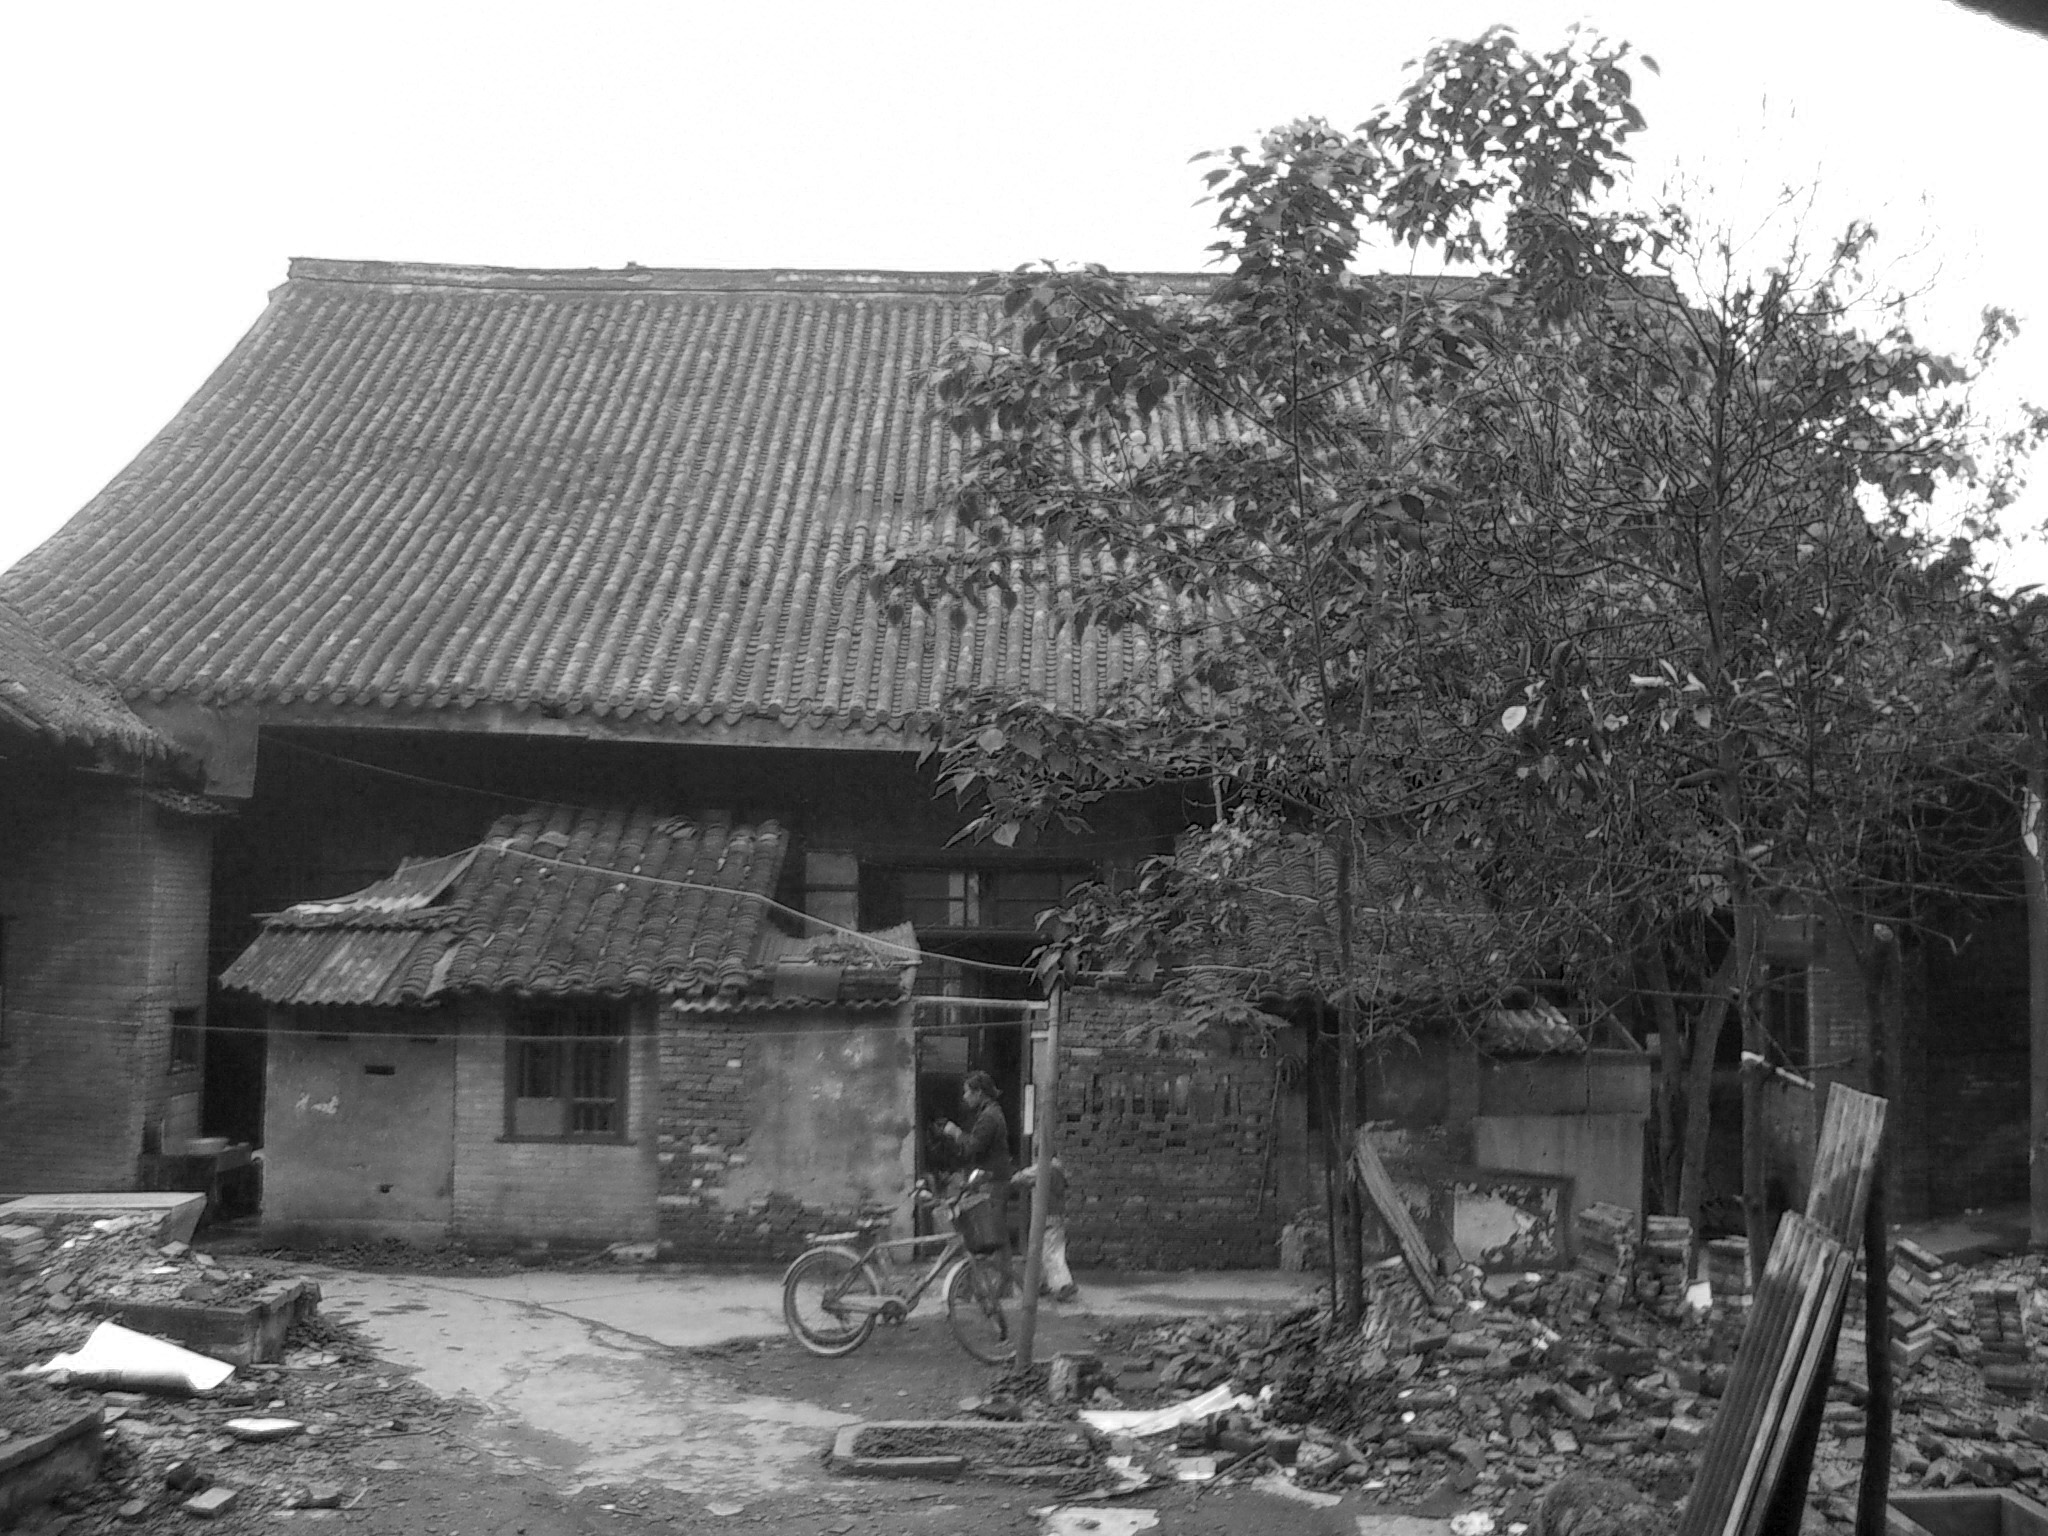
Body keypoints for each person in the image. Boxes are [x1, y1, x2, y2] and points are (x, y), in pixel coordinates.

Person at [1012, 1154, 1078, 1303]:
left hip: (1046, 1215)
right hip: (1057, 1215)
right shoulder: (1059, 1169)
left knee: (1050, 1253)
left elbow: (1018, 1178)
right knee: (1044, 1250)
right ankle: (1041, 1283)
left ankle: (1064, 1284)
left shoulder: (1044, 1167)